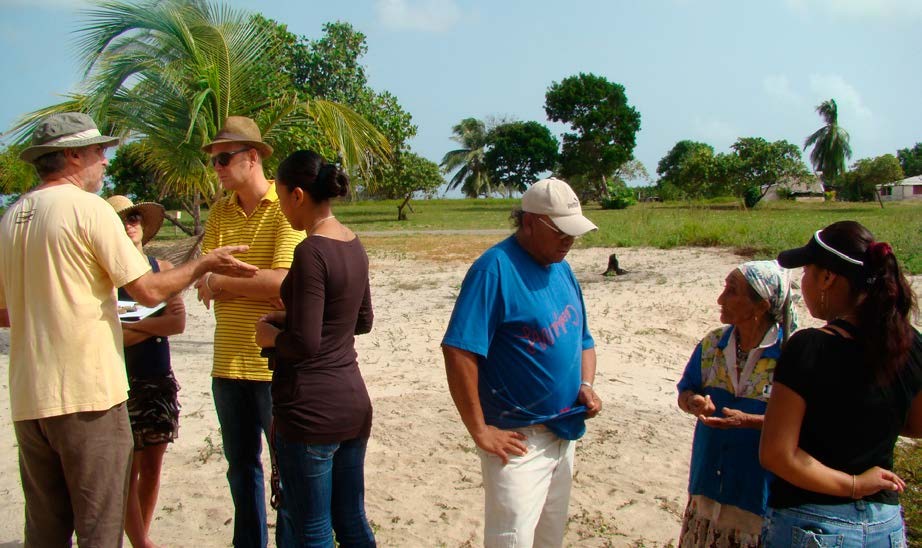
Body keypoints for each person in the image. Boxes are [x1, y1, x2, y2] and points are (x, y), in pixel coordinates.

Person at [0, 112, 256, 547]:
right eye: (99, 151)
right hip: (88, 397)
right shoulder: (88, 210)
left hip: (29, 400)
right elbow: (148, 289)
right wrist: (205, 263)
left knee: (44, 532)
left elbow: (5, 313)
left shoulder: (13, 216)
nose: (105, 161)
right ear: (72, 155)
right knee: (100, 527)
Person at [442, 177, 603, 548]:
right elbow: (459, 350)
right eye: (561, 232)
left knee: (549, 538)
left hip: (565, 431)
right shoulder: (494, 270)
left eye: (574, 234)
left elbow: (583, 340)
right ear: (529, 221)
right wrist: (480, 429)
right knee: (511, 539)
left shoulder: (562, 268)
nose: (569, 241)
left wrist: (587, 385)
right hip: (518, 440)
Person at [760, 221, 922, 546]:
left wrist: (853, 484)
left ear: (827, 277)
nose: (802, 283)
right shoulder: (910, 343)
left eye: (806, 271)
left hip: (814, 525)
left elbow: (778, 454)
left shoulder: (809, 347)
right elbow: (916, 424)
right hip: (884, 525)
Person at [254, 150, 375, 547]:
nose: (280, 206)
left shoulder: (310, 251)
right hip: (352, 402)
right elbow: (359, 321)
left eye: (281, 195)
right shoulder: (354, 245)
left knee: (313, 529)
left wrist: (271, 336)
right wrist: (291, 319)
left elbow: (304, 344)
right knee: (352, 519)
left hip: (310, 411)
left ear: (298, 196)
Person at [195, 116, 305, 547]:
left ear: (253, 157)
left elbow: (281, 284)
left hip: (272, 364)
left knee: (287, 469)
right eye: (215, 161)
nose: (217, 168)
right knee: (240, 469)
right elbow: (204, 278)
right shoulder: (221, 210)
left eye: (224, 159)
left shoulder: (284, 207)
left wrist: (225, 284)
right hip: (227, 362)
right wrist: (239, 282)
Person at [676, 260, 794, 547]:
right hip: (706, 490)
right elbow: (685, 391)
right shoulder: (713, 344)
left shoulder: (790, 356)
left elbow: (802, 425)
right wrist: (693, 402)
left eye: (732, 290)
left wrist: (749, 422)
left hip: (756, 503)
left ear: (762, 305)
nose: (720, 299)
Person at [107, 195, 185, 548]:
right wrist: (152, 324)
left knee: (152, 465)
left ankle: (141, 536)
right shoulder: (104, 279)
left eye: (135, 216)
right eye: (122, 219)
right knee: (125, 469)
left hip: (157, 377)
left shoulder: (163, 269)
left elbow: (178, 322)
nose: (131, 223)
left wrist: (133, 328)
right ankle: (139, 542)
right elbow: (111, 337)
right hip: (120, 382)